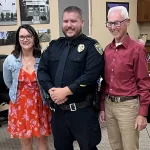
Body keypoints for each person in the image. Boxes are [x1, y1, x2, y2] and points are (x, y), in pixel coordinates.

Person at [38, 6, 104, 150]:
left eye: (73, 21)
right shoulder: (54, 46)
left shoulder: (92, 47)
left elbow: (90, 75)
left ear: (82, 22)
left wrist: (66, 91)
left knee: (88, 147)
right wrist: (51, 91)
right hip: (59, 112)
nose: (69, 25)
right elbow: (42, 71)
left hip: (82, 112)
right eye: (66, 21)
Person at [99, 6, 150, 150]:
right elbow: (105, 82)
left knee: (129, 147)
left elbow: (144, 83)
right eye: (110, 23)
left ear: (127, 22)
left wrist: (143, 113)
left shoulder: (137, 50)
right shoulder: (107, 50)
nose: (113, 27)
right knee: (115, 146)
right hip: (109, 105)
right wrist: (102, 106)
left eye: (117, 23)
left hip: (128, 107)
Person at [3, 24, 51, 150]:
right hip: (20, 106)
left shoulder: (43, 58)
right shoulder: (10, 60)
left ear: (34, 38)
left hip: (40, 104)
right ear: (18, 40)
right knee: (26, 143)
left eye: (28, 36)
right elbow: (8, 82)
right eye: (22, 36)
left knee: (43, 142)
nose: (25, 39)